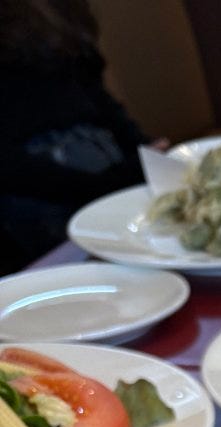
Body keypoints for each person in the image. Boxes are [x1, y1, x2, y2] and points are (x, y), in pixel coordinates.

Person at [0, 0, 147, 274]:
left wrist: (145, 154)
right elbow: (9, 167)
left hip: (108, 178)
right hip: (39, 203)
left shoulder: (61, 12)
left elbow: (97, 96)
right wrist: (106, 184)